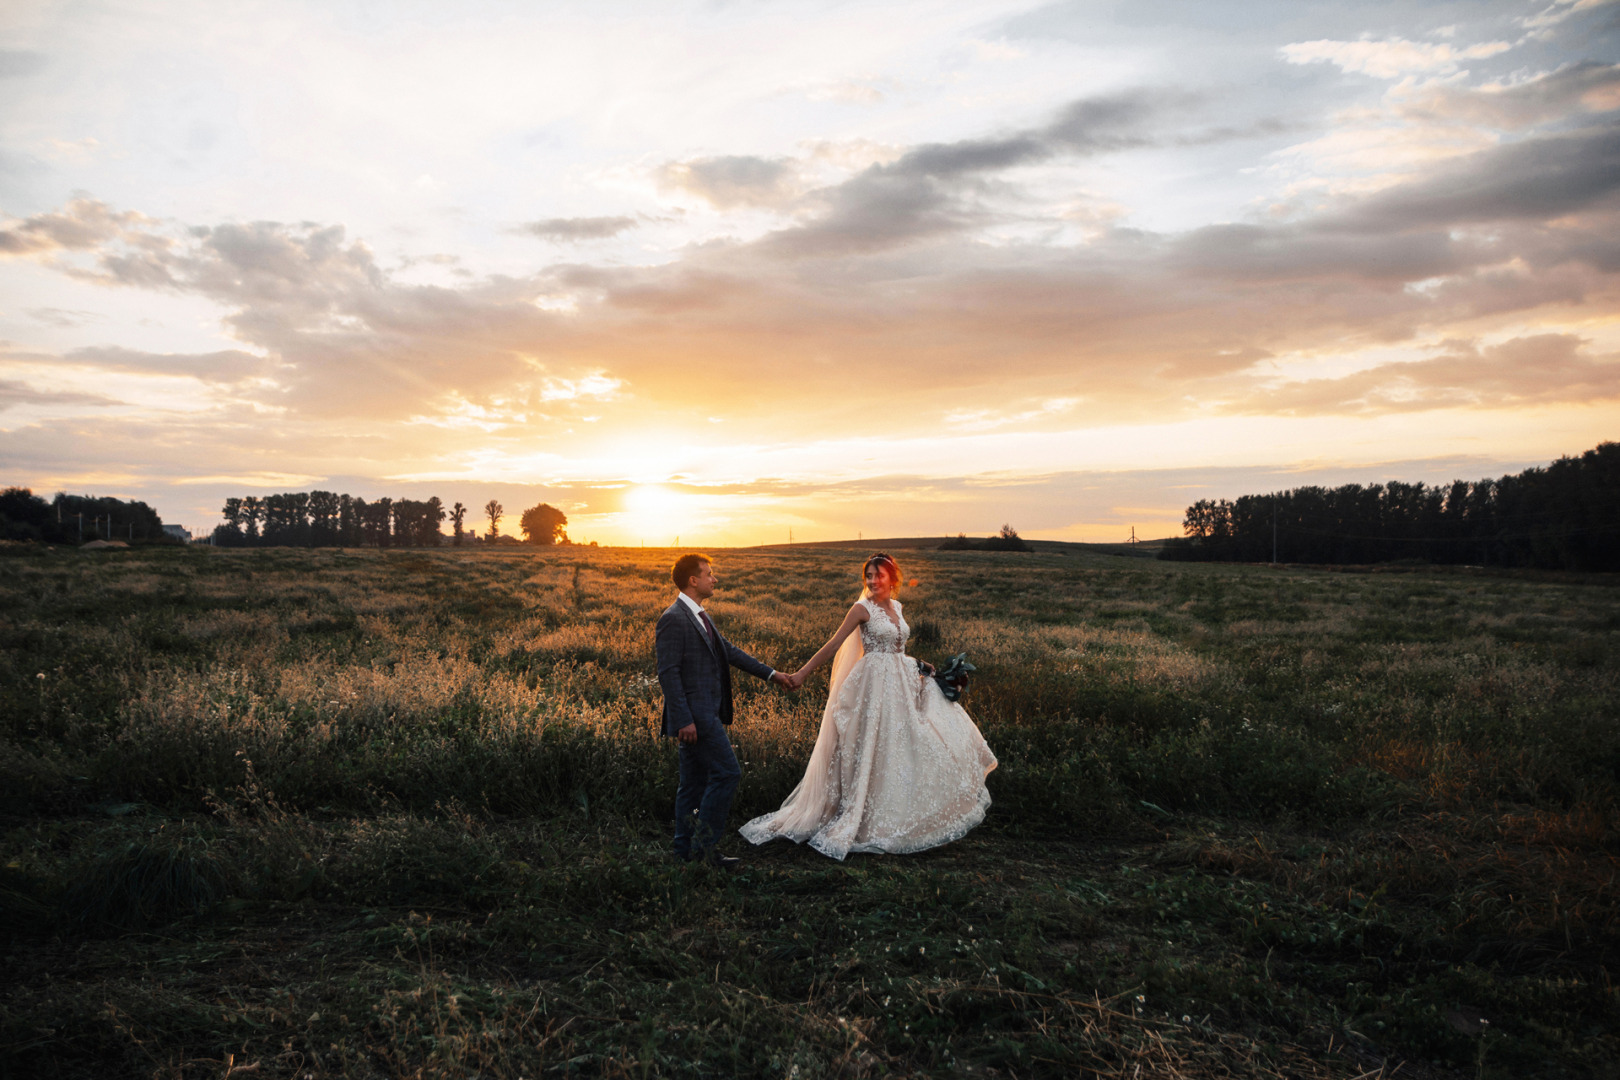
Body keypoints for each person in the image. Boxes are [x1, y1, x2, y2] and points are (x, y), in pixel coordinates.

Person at [740, 553, 997, 860]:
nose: (873, 581)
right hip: (872, 688)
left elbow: (897, 648)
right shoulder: (861, 609)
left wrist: (922, 665)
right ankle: (861, 813)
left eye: (879, 576)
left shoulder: (898, 608)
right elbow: (833, 645)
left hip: (901, 683)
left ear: (893, 578)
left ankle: (903, 811)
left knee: (906, 745)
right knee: (874, 747)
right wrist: (801, 674)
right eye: (869, 576)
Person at [657, 552, 794, 867]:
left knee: (692, 785)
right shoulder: (673, 618)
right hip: (696, 716)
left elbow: (727, 650)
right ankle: (704, 850)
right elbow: (668, 673)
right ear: (694, 580)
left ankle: (684, 853)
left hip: (704, 712)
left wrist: (773, 675)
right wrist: (683, 720)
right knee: (728, 773)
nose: (714, 578)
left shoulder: (700, 615)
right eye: (709, 573)